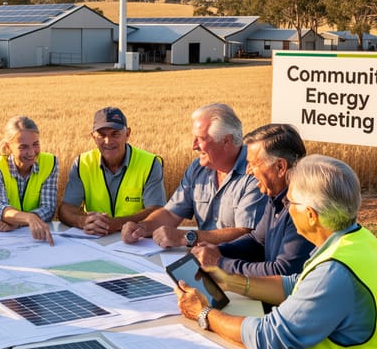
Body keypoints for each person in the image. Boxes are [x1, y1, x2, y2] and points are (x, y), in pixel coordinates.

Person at [175, 155, 377, 349]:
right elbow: (297, 286)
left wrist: (204, 314)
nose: (286, 208)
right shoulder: (359, 240)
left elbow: (269, 338)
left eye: (290, 201)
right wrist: (229, 281)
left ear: (310, 215)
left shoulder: (335, 270)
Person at [122, 102, 264, 247]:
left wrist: (187, 237)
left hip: (238, 264)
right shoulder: (198, 168)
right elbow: (171, 213)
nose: (193, 146)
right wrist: (142, 227)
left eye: (201, 139)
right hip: (204, 259)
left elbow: (245, 233)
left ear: (226, 141)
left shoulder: (256, 172)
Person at [190, 123, 314, 277]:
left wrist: (220, 262)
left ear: (280, 167)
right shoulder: (276, 198)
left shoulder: (302, 208)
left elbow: (282, 272)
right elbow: (257, 241)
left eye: (254, 164)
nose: (248, 171)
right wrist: (219, 250)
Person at [58, 107, 165, 236]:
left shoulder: (150, 163)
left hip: (136, 240)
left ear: (127, 134)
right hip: (95, 241)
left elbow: (157, 211)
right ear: (93, 137)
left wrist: (119, 223)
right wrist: (83, 221)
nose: (108, 141)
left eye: (115, 134)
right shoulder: (82, 163)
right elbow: (65, 209)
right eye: (102, 135)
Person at [0, 116, 58, 245]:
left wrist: (17, 223)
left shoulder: (50, 163)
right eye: (23, 147)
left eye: (35, 144)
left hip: (30, 237)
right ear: (8, 147)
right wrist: (28, 218)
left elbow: (48, 208)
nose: (31, 152)